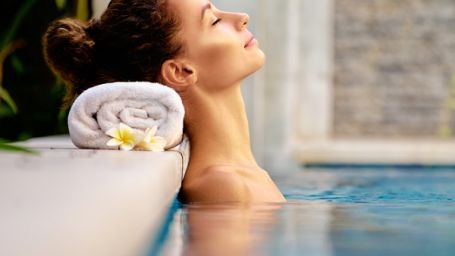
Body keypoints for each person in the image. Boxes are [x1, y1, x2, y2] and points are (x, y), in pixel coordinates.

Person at [43, 0, 286, 203]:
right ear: (181, 72)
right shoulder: (221, 186)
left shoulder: (245, 177)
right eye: (214, 21)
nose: (242, 17)